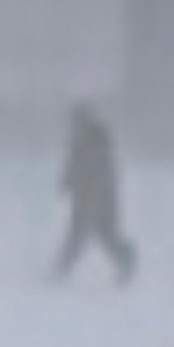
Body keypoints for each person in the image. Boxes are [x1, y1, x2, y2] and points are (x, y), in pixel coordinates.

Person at [53, 101, 137, 284]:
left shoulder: (96, 141)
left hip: (96, 195)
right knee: (102, 233)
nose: (72, 125)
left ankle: (60, 271)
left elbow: (96, 169)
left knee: (81, 233)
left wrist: (78, 184)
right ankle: (126, 261)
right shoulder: (80, 141)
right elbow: (73, 165)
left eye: (75, 120)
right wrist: (66, 182)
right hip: (89, 194)